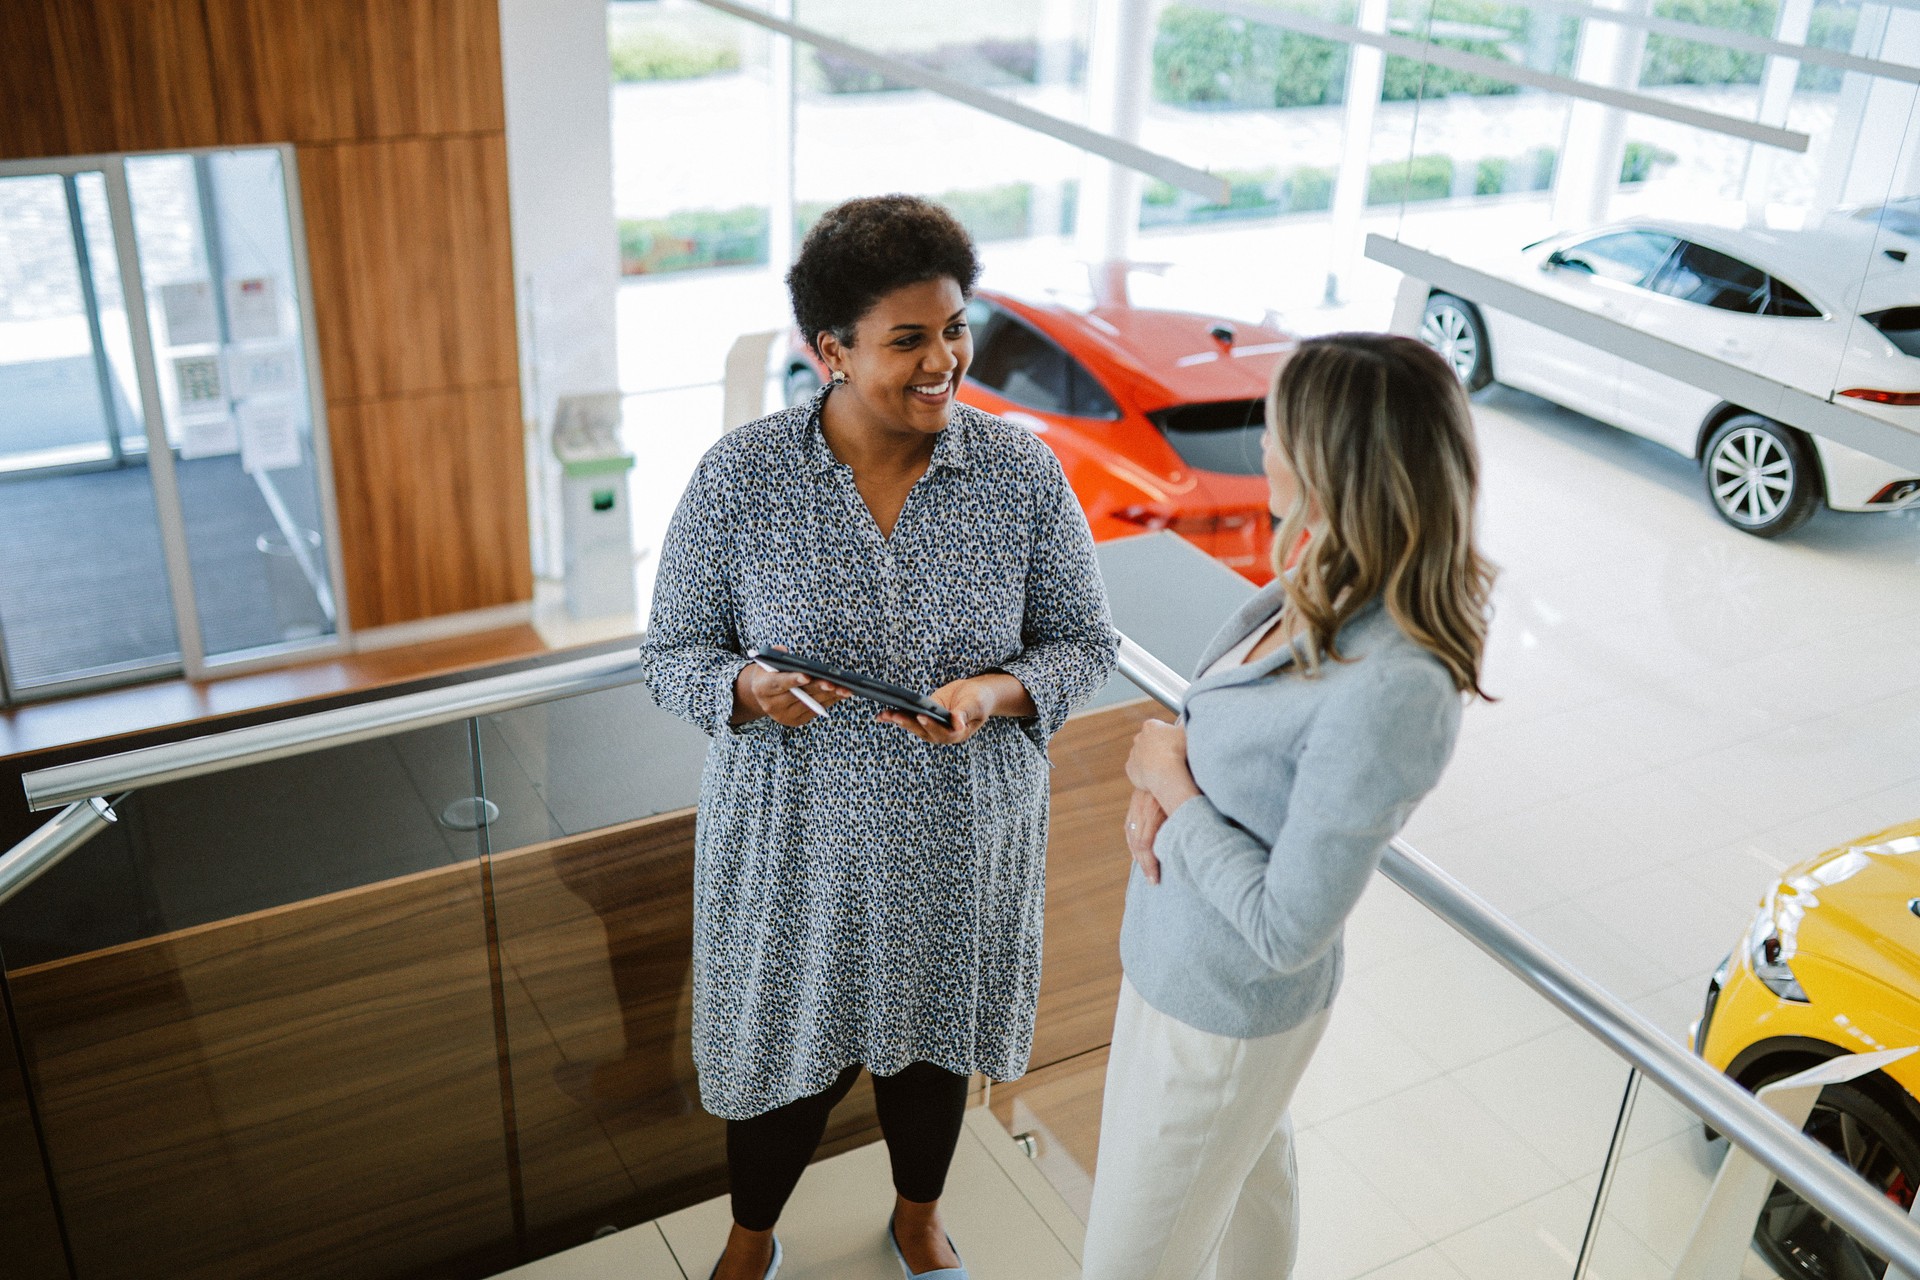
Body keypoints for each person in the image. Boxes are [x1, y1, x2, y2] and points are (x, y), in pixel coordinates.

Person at [640, 194, 1116, 1280]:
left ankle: (918, 1216)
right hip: (792, 850)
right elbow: (670, 651)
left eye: (955, 327)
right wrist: (746, 686)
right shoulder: (739, 479)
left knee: (934, 1053)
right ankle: (750, 1234)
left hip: (958, 841)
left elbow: (1086, 640)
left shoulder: (1019, 474)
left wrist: (995, 692)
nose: (946, 358)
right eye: (909, 339)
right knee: (780, 1065)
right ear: (829, 352)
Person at [1081, 333, 1496, 1280]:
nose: (1259, 446)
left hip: (1221, 1012)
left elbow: (1288, 927)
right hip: (1178, 968)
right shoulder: (1328, 576)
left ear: (1334, 466)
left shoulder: (1397, 682)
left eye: (1276, 428)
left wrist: (1174, 792)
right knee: (1247, 1217)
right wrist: (1173, 759)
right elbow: (1243, 729)